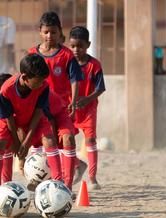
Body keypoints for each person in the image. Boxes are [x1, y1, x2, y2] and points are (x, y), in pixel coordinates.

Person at [0, 54, 62, 200]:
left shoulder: (43, 86)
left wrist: (26, 143)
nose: (41, 84)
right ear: (25, 77)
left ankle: (59, 183)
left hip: (34, 117)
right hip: (11, 120)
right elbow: (8, 117)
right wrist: (15, 141)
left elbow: (39, 112)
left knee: (50, 140)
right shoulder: (6, 90)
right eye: (38, 81)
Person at [69, 26, 106, 190]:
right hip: (70, 109)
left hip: (88, 110)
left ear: (88, 45)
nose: (76, 50)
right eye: (73, 46)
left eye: (80, 46)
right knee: (65, 140)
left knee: (90, 141)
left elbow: (100, 88)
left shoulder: (94, 65)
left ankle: (92, 177)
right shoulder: (68, 63)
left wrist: (87, 99)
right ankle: (77, 165)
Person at [28, 11, 83, 119]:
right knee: (45, 135)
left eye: (53, 32)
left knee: (67, 136)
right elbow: (26, 80)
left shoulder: (67, 55)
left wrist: (73, 102)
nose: (49, 36)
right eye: (46, 32)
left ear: (60, 32)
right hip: (38, 107)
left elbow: (75, 80)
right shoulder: (32, 53)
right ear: (40, 31)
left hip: (61, 107)